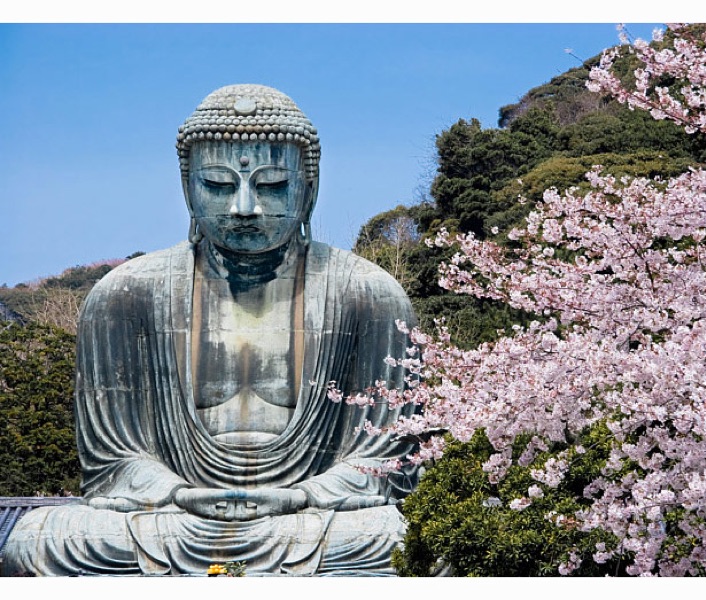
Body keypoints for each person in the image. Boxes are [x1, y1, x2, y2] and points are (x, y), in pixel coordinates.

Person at [1, 84, 419, 576]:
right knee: (37, 539)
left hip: (313, 519)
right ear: (187, 188)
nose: (244, 207)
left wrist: (302, 496)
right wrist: (179, 493)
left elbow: (385, 459)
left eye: (272, 185)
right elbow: (113, 459)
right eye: (219, 186)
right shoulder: (126, 295)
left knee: (402, 535)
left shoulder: (367, 294)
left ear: (309, 188)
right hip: (174, 518)